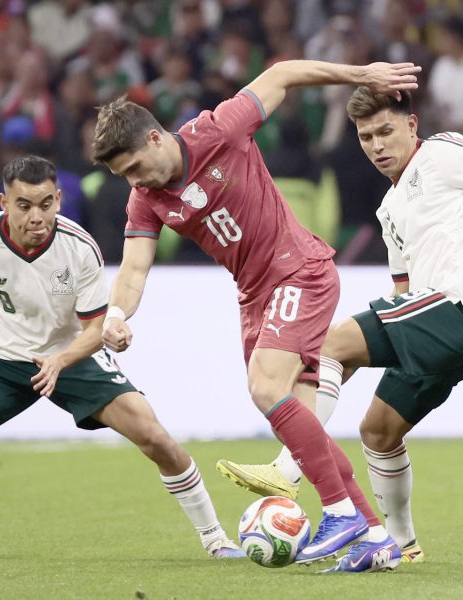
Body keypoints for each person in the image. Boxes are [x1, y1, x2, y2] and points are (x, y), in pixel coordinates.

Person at [92, 59, 421, 572]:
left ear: (156, 139)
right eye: (124, 176)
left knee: (265, 387)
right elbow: (134, 270)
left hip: (300, 271)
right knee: (301, 425)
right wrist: (116, 313)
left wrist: (362, 76)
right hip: (254, 297)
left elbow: (284, 73)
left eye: (133, 167)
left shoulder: (219, 129)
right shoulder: (146, 199)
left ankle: (338, 513)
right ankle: (375, 537)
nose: (134, 181)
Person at [0, 155, 245, 560]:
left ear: (58, 198)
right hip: (3, 358)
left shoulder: (79, 247)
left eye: (45, 204)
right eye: (24, 205)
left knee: (153, 436)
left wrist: (61, 360)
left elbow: (94, 329)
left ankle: (216, 539)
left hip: (73, 355)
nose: (37, 216)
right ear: (4, 202)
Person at [218, 87, 463, 568]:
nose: (377, 145)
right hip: (431, 320)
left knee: (328, 342)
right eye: (365, 136)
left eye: (386, 131)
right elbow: (402, 291)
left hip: (456, 306)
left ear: (412, 127)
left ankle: (288, 469)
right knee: (377, 431)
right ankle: (399, 546)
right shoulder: (389, 209)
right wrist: (376, 347)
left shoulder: (441, 154)